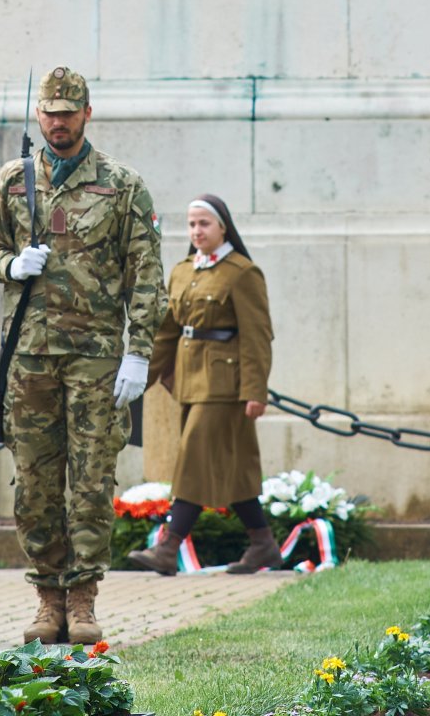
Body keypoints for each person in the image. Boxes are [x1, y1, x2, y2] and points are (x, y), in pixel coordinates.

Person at [0, 66, 164, 646]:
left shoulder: (122, 184)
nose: (58, 121)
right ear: (39, 116)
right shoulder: (12, 181)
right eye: (49, 112)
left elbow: (147, 275)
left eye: (68, 111)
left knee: (89, 478)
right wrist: (10, 265)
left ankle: (82, 600)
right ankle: (47, 598)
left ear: (87, 114)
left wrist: (141, 353)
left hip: (95, 358)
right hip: (28, 356)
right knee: (33, 482)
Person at [128, 194, 276, 576]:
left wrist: (256, 392)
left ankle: (168, 548)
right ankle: (263, 545)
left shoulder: (242, 273)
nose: (197, 231)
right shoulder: (181, 271)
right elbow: (166, 333)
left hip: (226, 386)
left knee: (192, 458)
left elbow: (257, 337)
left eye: (204, 224)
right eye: (192, 224)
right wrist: (138, 382)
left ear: (223, 227)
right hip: (190, 382)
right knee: (236, 466)